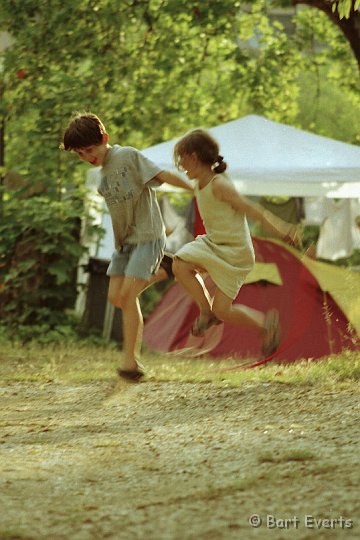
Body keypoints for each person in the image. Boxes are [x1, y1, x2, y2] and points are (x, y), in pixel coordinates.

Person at [61, 112, 193, 380]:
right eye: (80, 154)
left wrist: (196, 188)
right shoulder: (102, 177)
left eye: (90, 149)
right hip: (125, 245)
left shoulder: (128, 156)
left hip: (148, 237)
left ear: (105, 139)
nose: (87, 157)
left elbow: (163, 175)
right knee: (116, 298)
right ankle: (159, 272)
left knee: (129, 297)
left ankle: (131, 363)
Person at [172, 128, 302, 357]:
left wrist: (283, 230)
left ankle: (265, 324)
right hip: (213, 244)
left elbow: (253, 210)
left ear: (193, 157)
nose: (181, 166)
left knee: (223, 310)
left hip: (235, 253)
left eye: (182, 159)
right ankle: (206, 311)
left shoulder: (219, 185)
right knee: (179, 264)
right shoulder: (198, 185)